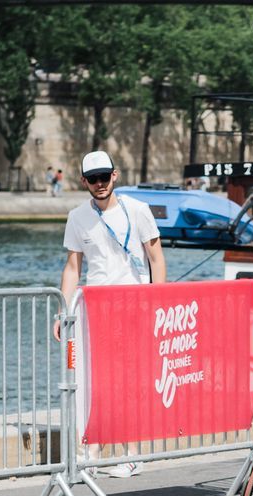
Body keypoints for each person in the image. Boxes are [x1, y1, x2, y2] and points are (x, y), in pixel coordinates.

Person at [58, 150, 167, 477]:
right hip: (94, 308)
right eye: (93, 179)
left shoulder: (138, 210)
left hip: (134, 305)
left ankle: (132, 454)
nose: (100, 184)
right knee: (96, 382)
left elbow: (157, 259)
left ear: (115, 176)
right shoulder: (77, 217)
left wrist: (156, 302)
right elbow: (72, 268)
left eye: (105, 177)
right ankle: (92, 452)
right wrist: (61, 312)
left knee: (129, 382)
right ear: (84, 182)